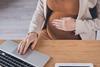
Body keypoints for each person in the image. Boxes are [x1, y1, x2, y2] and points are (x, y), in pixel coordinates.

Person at [17, 0, 100, 54]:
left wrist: (76, 25)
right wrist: (33, 32)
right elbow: (40, 10)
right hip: (47, 35)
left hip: (78, 41)